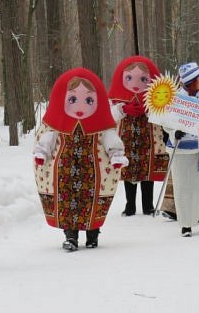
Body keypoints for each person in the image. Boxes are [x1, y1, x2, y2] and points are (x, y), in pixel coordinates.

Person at [32, 68, 128, 252]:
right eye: (72, 99)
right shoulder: (57, 123)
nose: (80, 106)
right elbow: (48, 139)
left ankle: (92, 234)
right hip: (65, 172)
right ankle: (71, 236)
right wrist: (42, 154)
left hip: (92, 172)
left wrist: (116, 154)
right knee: (67, 202)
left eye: (89, 100)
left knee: (91, 201)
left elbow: (110, 140)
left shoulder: (101, 125)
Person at [108, 56, 169, 216]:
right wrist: (123, 109)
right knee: (128, 168)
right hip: (126, 137)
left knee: (147, 168)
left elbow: (164, 115)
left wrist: (150, 109)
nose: (135, 84)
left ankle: (148, 204)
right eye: (129, 78)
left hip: (148, 136)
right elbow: (111, 116)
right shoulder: (116, 100)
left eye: (143, 79)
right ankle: (130, 205)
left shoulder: (155, 100)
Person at [164, 62, 199, 237]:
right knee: (183, 186)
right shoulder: (175, 100)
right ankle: (186, 223)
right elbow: (166, 121)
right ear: (191, 81)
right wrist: (174, 131)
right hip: (182, 151)